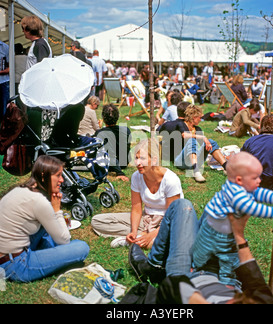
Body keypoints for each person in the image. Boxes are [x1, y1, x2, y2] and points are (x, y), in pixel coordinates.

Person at [128, 199, 273, 304]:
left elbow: (171, 288)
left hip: (185, 277)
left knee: (182, 206)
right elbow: (257, 285)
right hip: (225, 276)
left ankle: (154, 266)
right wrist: (239, 236)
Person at [192, 152, 273, 287]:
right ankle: (195, 266)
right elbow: (253, 208)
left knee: (229, 258)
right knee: (201, 251)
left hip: (227, 234)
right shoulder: (236, 195)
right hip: (212, 232)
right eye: (255, 178)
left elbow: (260, 193)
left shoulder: (243, 186)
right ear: (239, 180)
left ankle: (227, 282)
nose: (259, 181)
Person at [0, 155, 90, 283]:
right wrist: (56, 209)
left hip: (7, 256)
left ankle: (50, 254)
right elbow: (64, 240)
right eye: (58, 175)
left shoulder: (20, 190)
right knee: (81, 247)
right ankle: (52, 256)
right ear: (43, 176)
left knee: (47, 230)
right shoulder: (39, 201)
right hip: (16, 266)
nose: (62, 180)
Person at [91, 138, 184, 249]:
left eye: (143, 158)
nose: (138, 163)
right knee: (97, 221)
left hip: (168, 222)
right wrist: (134, 231)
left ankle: (143, 239)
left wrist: (151, 235)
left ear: (154, 160)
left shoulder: (170, 180)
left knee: (172, 239)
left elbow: (172, 217)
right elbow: (136, 208)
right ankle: (139, 237)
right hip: (146, 219)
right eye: (136, 158)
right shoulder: (136, 176)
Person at [174, 104, 227, 183]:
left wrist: (207, 143)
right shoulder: (181, 124)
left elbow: (201, 146)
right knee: (192, 140)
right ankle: (196, 172)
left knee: (211, 142)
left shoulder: (197, 129)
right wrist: (203, 137)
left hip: (193, 160)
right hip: (181, 160)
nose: (200, 119)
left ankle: (226, 167)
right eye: (199, 117)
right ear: (193, 117)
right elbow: (184, 135)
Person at [96, 104, 131, 182]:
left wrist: (119, 172)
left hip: (110, 166)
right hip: (124, 162)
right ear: (117, 117)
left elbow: (110, 152)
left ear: (103, 119)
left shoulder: (101, 133)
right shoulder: (126, 130)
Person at [0, 40, 9, 122]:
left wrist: (1, 72)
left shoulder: (5, 47)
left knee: (3, 109)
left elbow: (10, 67)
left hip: (3, 82)